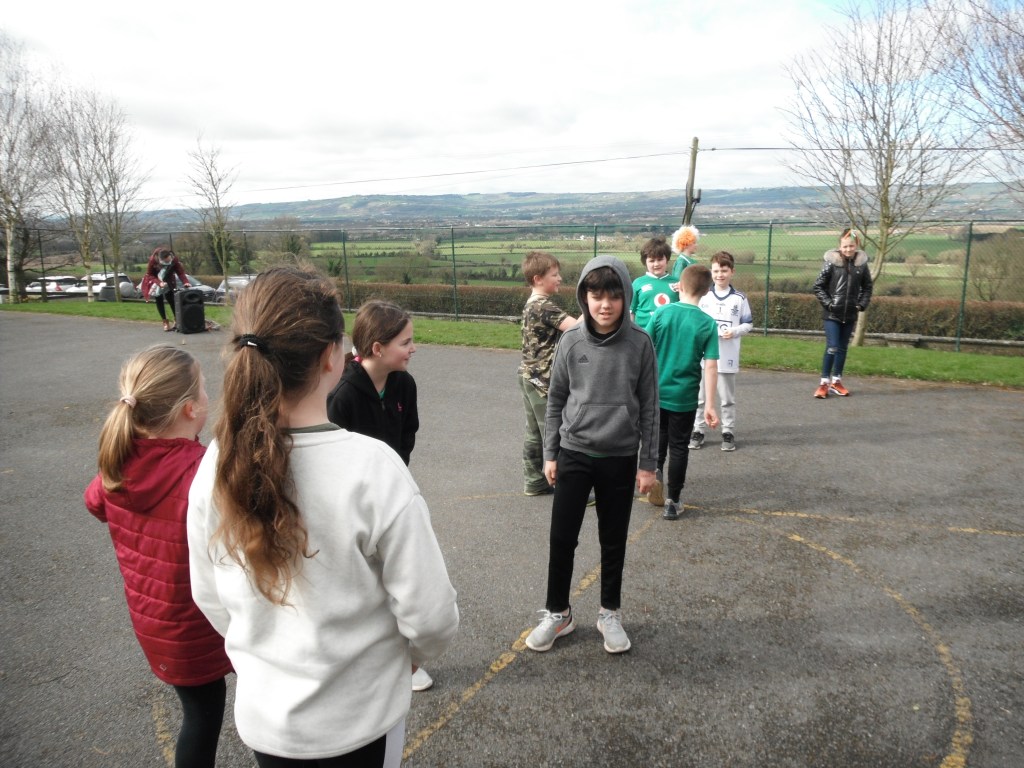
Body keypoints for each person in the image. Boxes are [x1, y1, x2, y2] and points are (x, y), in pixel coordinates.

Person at [187, 266, 458, 768]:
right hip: (359, 720)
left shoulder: (217, 461)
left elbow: (209, 593)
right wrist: (411, 657)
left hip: (268, 723)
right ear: (331, 355)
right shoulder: (374, 468)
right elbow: (432, 614)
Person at [84, 344, 231, 768]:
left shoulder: (119, 460)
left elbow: (95, 503)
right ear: (189, 409)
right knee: (205, 717)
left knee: (198, 710)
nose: (208, 396)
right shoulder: (200, 471)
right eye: (204, 389)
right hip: (200, 624)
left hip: (156, 623)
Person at [525, 255, 658, 655]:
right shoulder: (571, 340)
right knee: (562, 538)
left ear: (626, 297)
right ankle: (558, 613)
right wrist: (551, 453)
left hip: (619, 456)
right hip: (574, 452)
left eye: (613, 296)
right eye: (596, 296)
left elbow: (650, 406)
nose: (605, 305)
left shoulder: (640, 343)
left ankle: (609, 613)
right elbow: (556, 401)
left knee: (613, 540)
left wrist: (648, 464)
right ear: (584, 297)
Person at [326, 298, 431, 692]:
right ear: (377, 348)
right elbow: (332, 458)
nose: (413, 348)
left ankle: (406, 663)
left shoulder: (404, 383)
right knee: (363, 585)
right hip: (352, 506)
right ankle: (358, 659)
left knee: (400, 579)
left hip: (393, 499)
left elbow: (408, 434)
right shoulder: (343, 395)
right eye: (405, 342)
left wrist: (395, 480)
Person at [648, 264, 721, 520]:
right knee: (679, 447)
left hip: (657, 392)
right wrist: (709, 405)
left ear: (679, 284)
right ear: (707, 291)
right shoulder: (707, 323)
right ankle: (673, 500)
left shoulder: (662, 312)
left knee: (659, 439)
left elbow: (644, 349)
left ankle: (655, 472)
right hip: (685, 397)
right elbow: (711, 366)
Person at [517, 251, 578, 497]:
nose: (559, 278)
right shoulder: (543, 306)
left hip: (527, 375)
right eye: (554, 274)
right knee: (555, 433)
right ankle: (569, 489)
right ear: (538, 279)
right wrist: (593, 306)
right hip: (541, 380)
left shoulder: (532, 303)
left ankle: (534, 481)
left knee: (534, 432)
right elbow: (577, 327)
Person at [689, 251, 754, 452]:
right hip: (704, 357)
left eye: (724, 271)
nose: (720, 275)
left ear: (732, 271)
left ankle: (728, 431)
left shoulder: (739, 298)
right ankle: (698, 430)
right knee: (700, 397)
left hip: (727, 356)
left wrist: (734, 331)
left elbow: (748, 324)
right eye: (716, 271)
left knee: (727, 399)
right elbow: (695, 321)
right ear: (711, 272)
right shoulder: (704, 296)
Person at [812, 228, 874, 398]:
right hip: (832, 315)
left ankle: (836, 382)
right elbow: (818, 286)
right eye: (845, 246)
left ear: (856, 245)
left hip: (850, 314)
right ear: (840, 246)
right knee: (832, 346)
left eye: (851, 246)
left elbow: (867, 287)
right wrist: (829, 304)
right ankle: (823, 383)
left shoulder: (861, 265)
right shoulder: (831, 263)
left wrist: (860, 305)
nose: (848, 249)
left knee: (842, 348)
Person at [629, 236, 677, 331]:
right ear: (645, 262)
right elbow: (631, 312)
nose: (656, 264)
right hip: (644, 334)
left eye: (660, 259)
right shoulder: (638, 283)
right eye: (651, 261)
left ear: (667, 260)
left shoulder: (677, 283)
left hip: (670, 334)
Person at [140, 247, 191, 332]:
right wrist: (159, 283)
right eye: (166, 262)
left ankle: (177, 320)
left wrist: (186, 282)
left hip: (169, 279)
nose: (169, 263)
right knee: (159, 299)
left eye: (169, 260)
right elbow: (149, 275)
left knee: (171, 299)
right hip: (156, 280)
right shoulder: (153, 260)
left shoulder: (174, 259)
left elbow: (180, 272)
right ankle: (165, 322)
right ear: (160, 260)